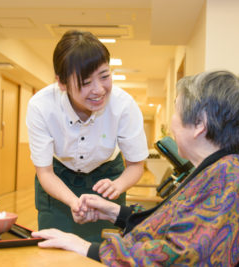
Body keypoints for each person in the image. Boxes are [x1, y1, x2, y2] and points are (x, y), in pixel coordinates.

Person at [32, 70, 239, 266]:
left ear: (200, 125)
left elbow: (182, 258)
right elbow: (173, 227)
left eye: (176, 111)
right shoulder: (218, 172)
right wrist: (115, 213)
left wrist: (87, 249)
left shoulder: (228, 181)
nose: (171, 122)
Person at [26, 30, 149, 242]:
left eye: (104, 76)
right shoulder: (41, 106)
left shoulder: (123, 105)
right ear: (62, 83)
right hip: (58, 181)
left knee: (105, 252)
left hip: (107, 179)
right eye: (85, 83)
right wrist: (74, 203)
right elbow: (45, 172)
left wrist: (117, 186)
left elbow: (136, 165)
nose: (99, 90)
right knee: (55, 248)